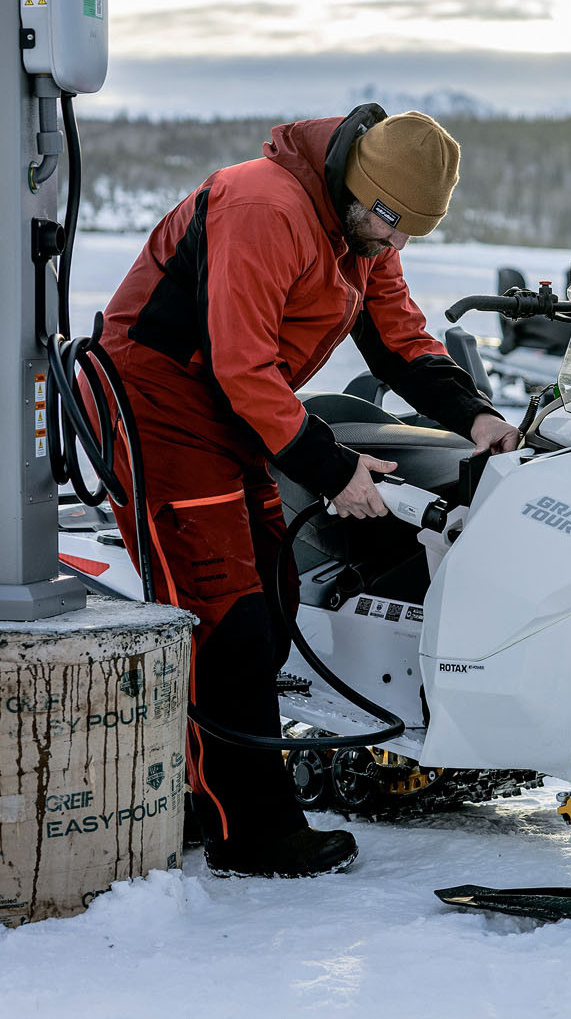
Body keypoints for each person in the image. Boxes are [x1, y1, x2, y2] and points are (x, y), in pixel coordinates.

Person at [94, 104, 520, 877]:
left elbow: (397, 338)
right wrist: (333, 468)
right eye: (392, 224)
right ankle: (249, 834)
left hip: (231, 408)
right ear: (361, 186)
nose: (397, 244)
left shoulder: (363, 229)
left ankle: (199, 791)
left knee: (276, 591)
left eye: (413, 232)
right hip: (158, 402)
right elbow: (239, 362)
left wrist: (475, 416)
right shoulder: (264, 207)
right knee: (226, 616)